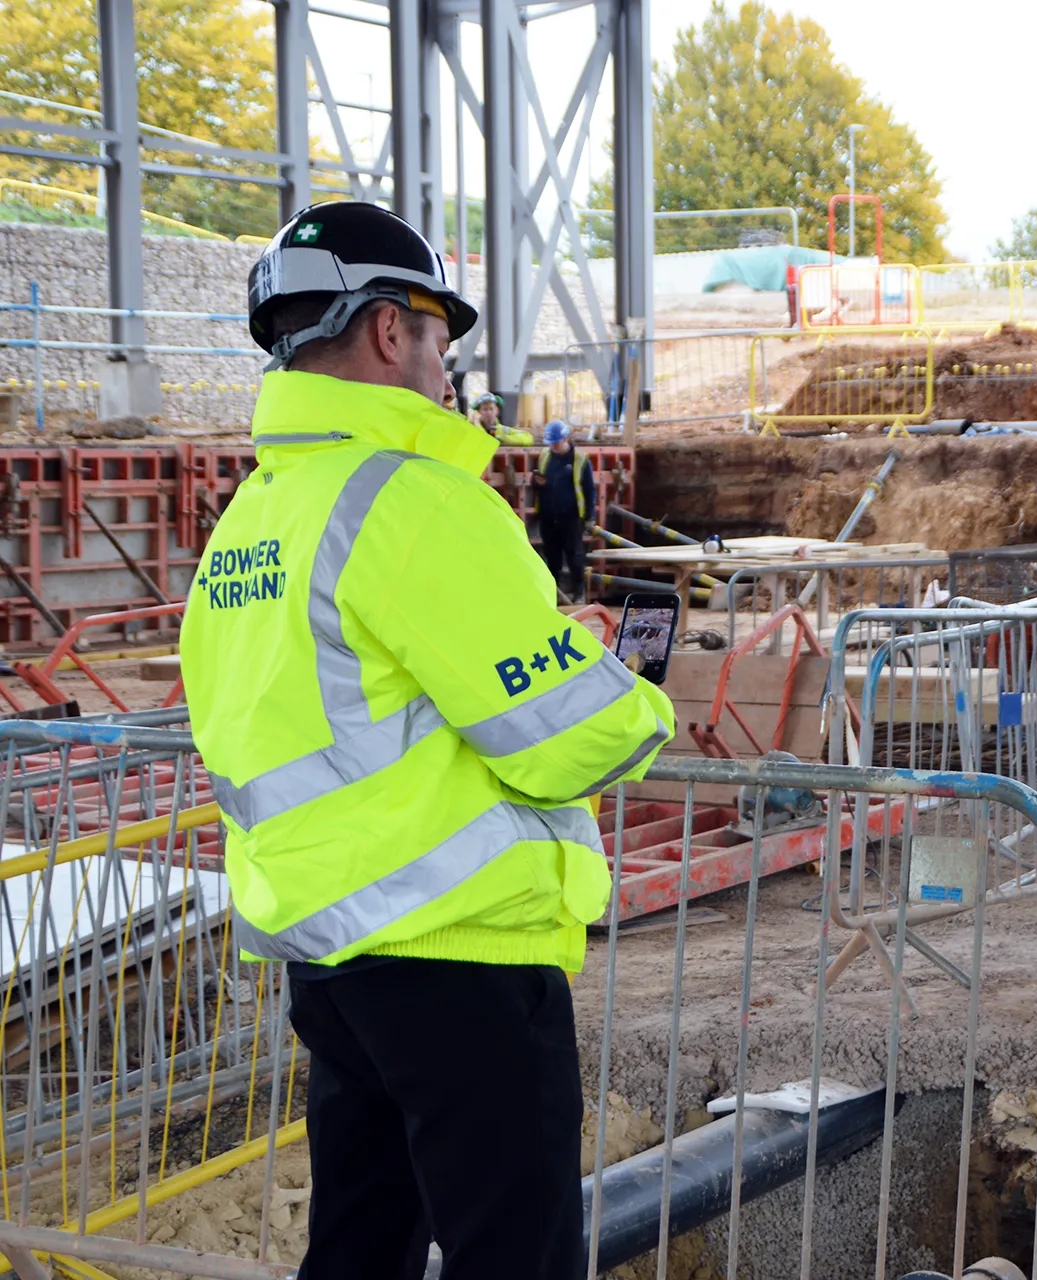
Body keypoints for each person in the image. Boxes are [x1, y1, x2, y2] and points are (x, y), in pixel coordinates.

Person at [179, 200, 675, 1280]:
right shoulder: (412, 499)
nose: (448, 367)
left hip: (332, 956)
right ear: (390, 330)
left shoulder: (254, 519)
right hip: (459, 957)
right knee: (515, 1254)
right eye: (440, 337)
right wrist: (628, 689)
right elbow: (563, 738)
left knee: (360, 1244)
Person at [534, 419, 595, 604]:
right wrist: (536, 482)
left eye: (557, 442)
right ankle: (554, 595)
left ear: (566, 438)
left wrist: (590, 517)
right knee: (552, 558)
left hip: (571, 517)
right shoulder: (545, 456)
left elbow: (589, 489)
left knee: (575, 556)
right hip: (548, 516)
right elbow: (536, 483)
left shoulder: (580, 460)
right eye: (551, 443)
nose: (554, 446)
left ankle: (579, 594)